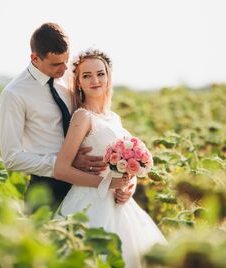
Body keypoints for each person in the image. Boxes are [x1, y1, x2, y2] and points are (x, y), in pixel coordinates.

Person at [0, 23, 134, 208]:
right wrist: (64, 163)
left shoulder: (72, 79)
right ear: (34, 58)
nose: (63, 69)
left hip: (89, 188)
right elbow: (12, 157)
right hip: (47, 189)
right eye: (55, 64)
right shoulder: (14, 94)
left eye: (66, 61)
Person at [54, 49, 167, 267]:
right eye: (86, 76)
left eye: (100, 74)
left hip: (120, 204)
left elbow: (126, 170)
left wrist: (130, 185)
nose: (95, 80)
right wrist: (107, 183)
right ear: (78, 82)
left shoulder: (114, 118)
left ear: (108, 77)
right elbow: (61, 169)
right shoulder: (82, 116)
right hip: (89, 201)